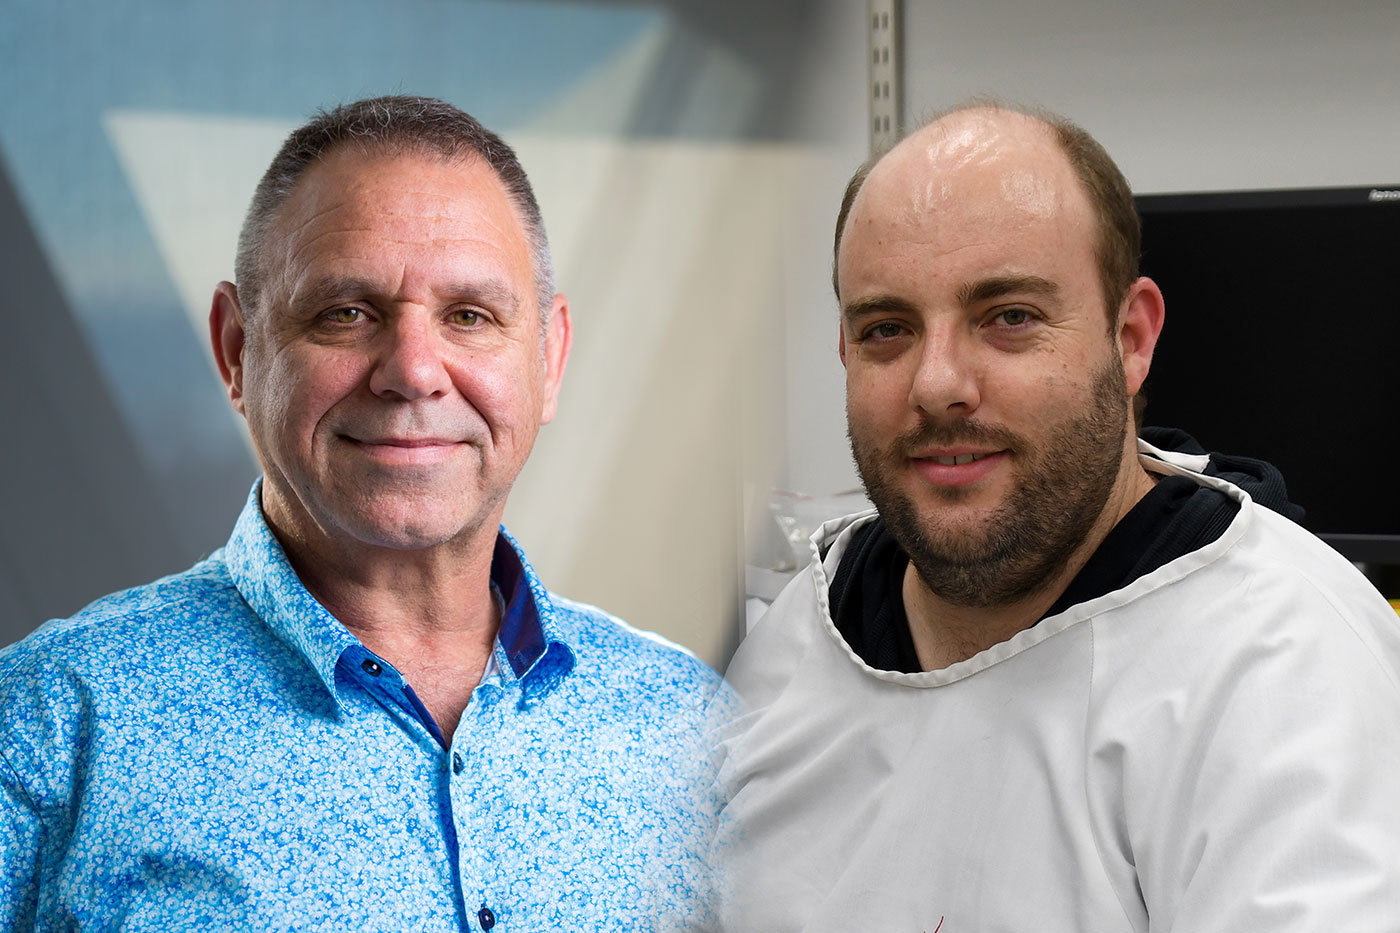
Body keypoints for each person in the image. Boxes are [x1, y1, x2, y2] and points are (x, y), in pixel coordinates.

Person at [1, 96, 721, 931]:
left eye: (470, 316)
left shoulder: (695, 730)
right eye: (347, 312)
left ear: (549, 359)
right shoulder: (48, 728)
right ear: (238, 349)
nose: (414, 370)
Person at [714, 103, 1400, 929]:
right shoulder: (798, 642)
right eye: (887, 328)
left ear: (1131, 336)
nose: (937, 384)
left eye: (1009, 317)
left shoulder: (1282, 666)